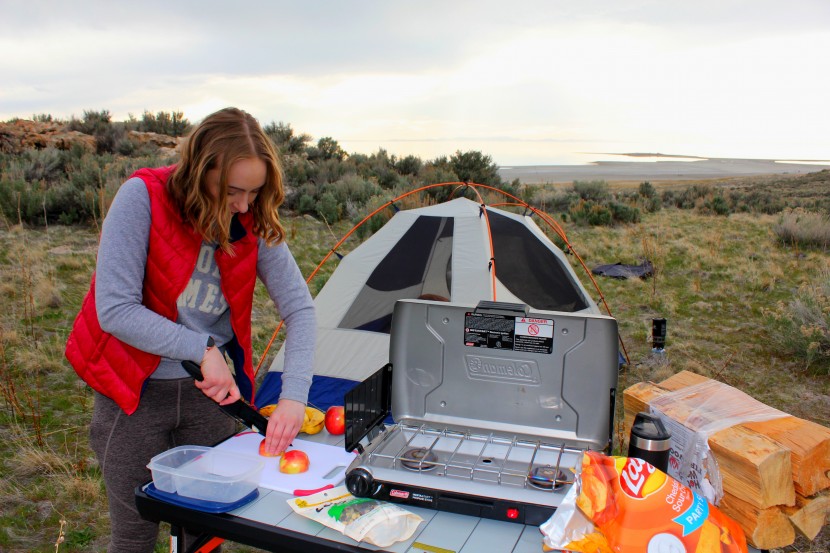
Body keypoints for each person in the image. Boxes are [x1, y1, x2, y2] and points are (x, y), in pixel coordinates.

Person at [65, 107, 316, 553]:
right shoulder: (141, 197)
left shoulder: (252, 219)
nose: (244, 205)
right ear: (201, 170)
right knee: (133, 535)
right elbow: (115, 309)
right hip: (132, 397)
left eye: (255, 192)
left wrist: (294, 396)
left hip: (211, 403)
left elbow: (300, 309)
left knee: (204, 535)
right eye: (233, 191)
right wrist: (201, 348)